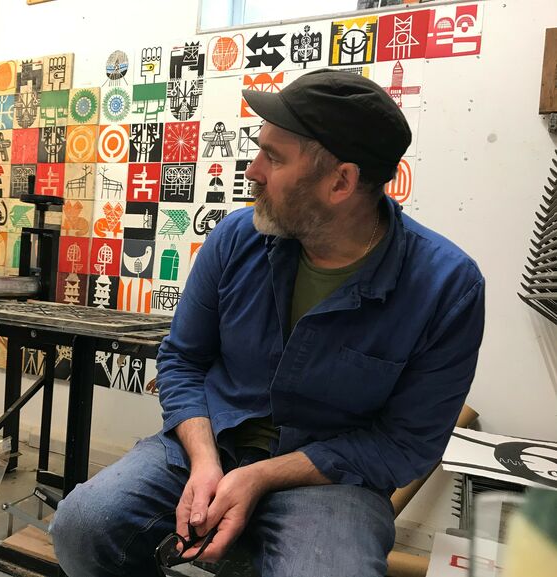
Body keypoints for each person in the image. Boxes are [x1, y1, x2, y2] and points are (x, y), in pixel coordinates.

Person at [51, 69, 485, 577]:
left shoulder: (445, 287)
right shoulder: (238, 238)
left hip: (328, 478)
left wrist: (260, 477)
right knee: (84, 523)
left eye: (274, 158)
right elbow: (182, 358)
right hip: (213, 441)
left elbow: (404, 444)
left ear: (340, 182)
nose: (253, 171)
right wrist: (206, 459)